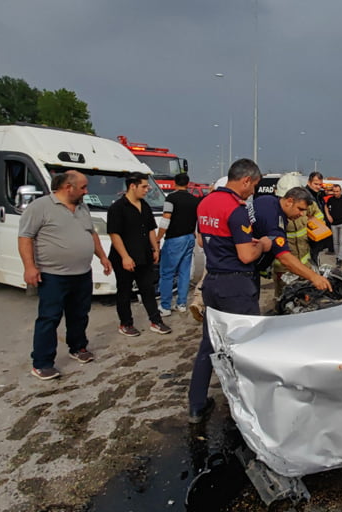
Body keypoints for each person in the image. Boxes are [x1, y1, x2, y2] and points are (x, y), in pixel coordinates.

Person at [189, 158, 270, 423]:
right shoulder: (237, 210)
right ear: (246, 180)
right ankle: (251, 408)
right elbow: (246, 255)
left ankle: (196, 405)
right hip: (236, 285)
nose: (254, 192)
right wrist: (264, 245)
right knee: (248, 345)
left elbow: (202, 239)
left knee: (208, 344)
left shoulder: (205, 203)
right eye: (254, 186)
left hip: (212, 282)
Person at [18, 170, 113, 380]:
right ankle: (42, 362)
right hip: (53, 275)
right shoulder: (40, 207)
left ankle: (78, 347)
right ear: (67, 187)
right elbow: (25, 237)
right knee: (49, 318)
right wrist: (29, 267)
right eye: (83, 187)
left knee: (79, 314)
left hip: (81, 273)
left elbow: (91, 233)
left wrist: (102, 257)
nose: (86, 192)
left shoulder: (82, 207)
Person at [108, 173, 170, 337]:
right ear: (132, 186)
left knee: (148, 290)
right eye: (144, 186)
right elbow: (115, 235)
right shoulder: (118, 208)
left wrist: (155, 248)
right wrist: (125, 257)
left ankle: (156, 321)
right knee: (125, 292)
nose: (147, 189)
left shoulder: (145, 206)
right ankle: (126, 323)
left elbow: (150, 229)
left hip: (144, 256)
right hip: (125, 258)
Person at [253, 186, 333, 297]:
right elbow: (284, 258)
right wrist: (314, 277)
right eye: (300, 209)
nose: (302, 214)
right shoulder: (276, 223)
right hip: (243, 270)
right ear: (289, 201)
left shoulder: (267, 200)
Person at [157, 173, 199, 316]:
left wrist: (158, 237)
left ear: (175, 183)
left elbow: (166, 218)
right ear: (188, 184)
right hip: (189, 238)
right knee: (184, 272)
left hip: (174, 239)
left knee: (167, 273)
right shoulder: (194, 200)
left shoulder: (171, 198)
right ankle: (181, 304)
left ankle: (165, 306)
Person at [304, 171, 331, 267]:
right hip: (309, 233)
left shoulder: (318, 195)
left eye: (320, 184)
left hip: (317, 231)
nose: (318, 186)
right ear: (309, 182)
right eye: (315, 184)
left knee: (315, 256)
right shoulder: (305, 196)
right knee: (310, 258)